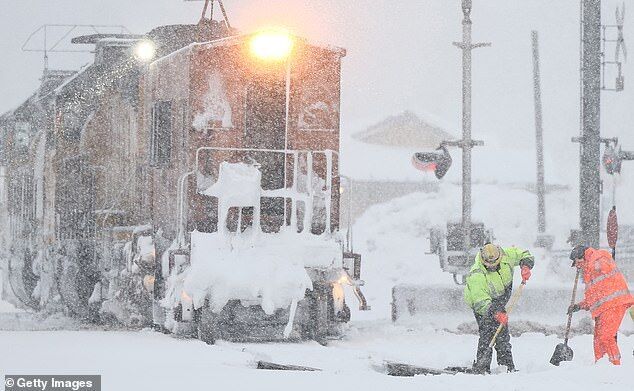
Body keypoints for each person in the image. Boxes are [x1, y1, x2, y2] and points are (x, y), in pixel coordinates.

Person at [464, 243, 535, 374]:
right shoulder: (477, 274)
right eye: (489, 265)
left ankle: (506, 366)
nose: (493, 267)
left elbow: (524, 253)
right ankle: (482, 367)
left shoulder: (506, 255)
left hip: (499, 299)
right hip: (483, 304)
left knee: (502, 335)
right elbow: (480, 302)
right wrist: (495, 313)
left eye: (496, 264)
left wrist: (525, 265)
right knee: (487, 333)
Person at [567, 245, 634, 365]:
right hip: (603, 309)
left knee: (606, 337)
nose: (577, 266)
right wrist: (579, 306)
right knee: (598, 340)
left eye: (577, 262)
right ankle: (601, 365)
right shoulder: (589, 273)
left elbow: (606, 265)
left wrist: (591, 265)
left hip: (614, 304)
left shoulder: (599, 257)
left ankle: (614, 365)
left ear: (582, 256)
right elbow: (592, 298)